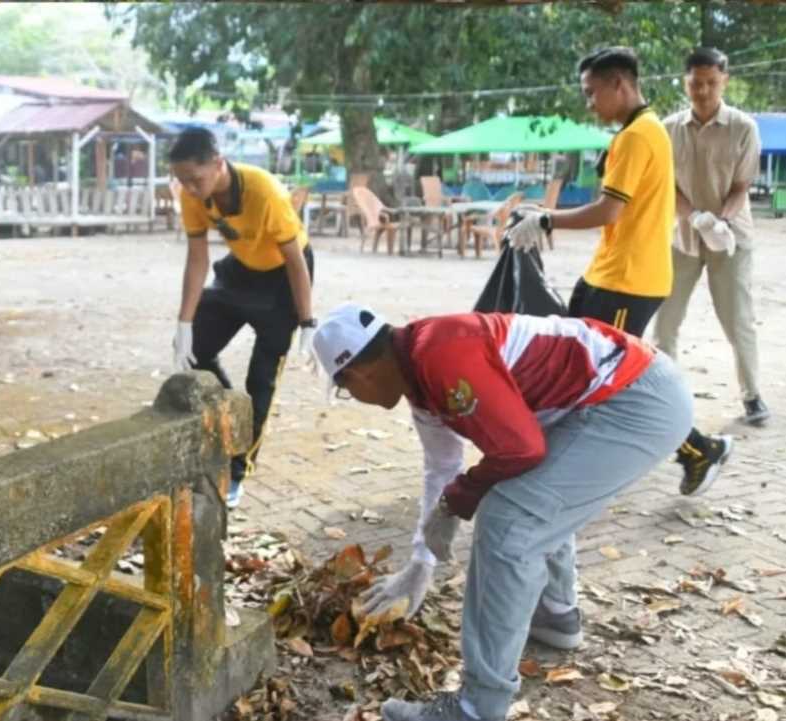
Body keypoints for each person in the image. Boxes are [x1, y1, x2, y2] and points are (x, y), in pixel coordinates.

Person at [312, 303, 693, 721]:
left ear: (357, 372)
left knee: (509, 520)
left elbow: (520, 449)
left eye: (347, 390)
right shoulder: (417, 375)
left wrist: (458, 499)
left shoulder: (442, 354)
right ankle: (554, 614)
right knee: (531, 495)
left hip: (634, 400)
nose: (357, 399)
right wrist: (420, 564)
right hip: (619, 394)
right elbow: (441, 467)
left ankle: (478, 707)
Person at [507, 46, 731, 496]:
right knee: (578, 367)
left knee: (615, 382)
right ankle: (557, 455)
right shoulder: (642, 131)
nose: (589, 103)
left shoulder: (637, 136)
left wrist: (547, 219)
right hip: (609, 274)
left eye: (592, 93)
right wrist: (543, 214)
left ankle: (697, 450)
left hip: (629, 281)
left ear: (619, 85)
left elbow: (609, 211)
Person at [169, 127, 317, 509]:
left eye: (195, 179)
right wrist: (184, 322)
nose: (189, 188)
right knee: (196, 350)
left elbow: (296, 259)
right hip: (241, 270)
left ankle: (238, 470)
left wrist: (307, 322)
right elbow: (197, 257)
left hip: (284, 279)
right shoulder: (192, 195)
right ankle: (234, 407)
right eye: (182, 180)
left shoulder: (263, 190)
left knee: (261, 379)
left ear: (218, 164)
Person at [654, 47, 769, 426]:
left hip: (731, 238)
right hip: (682, 237)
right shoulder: (668, 129)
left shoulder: (743, 127)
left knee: (738, 319)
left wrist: (719, 223)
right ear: (684, 82)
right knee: (666, 320)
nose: (702, 91)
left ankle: (752, 396)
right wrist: (697, 218)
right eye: (695, 83)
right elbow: (667, 186)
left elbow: (741, 185)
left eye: (711, 83)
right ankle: (665, 398)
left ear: (725, 81)